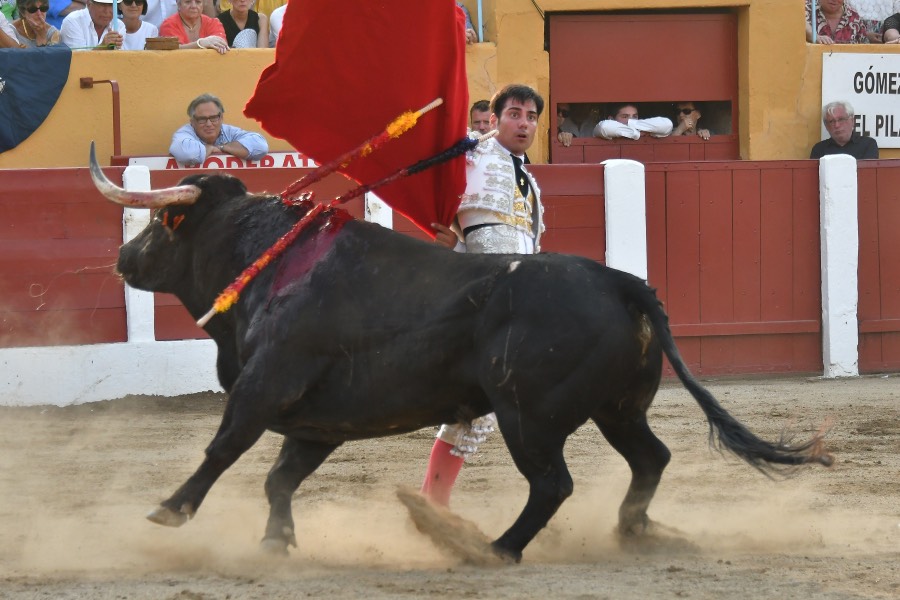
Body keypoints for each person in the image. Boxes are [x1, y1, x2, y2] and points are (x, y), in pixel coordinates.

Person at [421, 83, 545, 507]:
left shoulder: (528, 179)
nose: (523, 123)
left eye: (530, 117)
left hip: (518, 305)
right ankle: (432, 500)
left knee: (483, 414)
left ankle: (434, 499)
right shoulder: (470, 154)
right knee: (472, 412)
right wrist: (449, 243)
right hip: (480, 302)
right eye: (514, 114)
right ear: (494, 120)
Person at [169, 93, 269, 166]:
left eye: (213, 118)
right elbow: (189, 155)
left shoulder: (229, 131)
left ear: (221, 118)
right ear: (192, 122)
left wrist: (220, 147)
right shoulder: (184, 133)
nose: (209, 124)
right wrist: (209, 148)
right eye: (202, 119)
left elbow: (260, 146)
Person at [810, 100, 878, 159]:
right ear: (826, 126)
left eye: (841, 119)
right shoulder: (819, 149)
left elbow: (868, 173)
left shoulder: (868, 145)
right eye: (831, 121)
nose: (837, 125)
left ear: (852, 121)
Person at [159, 0, 227, 52]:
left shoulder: (213, 23)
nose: (193, 6)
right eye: (188, 2)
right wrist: (200, 43)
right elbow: (173, 51)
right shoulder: (169, 25)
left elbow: (222, 46)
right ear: (179, 4)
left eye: (198, 2)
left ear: (202, 4)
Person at [60, 0, 124, 49]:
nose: (106, 11)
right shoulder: (73, 22)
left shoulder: (119, 25)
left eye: (111, 4)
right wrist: (102, 47)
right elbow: (78, 61)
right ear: (88, 3)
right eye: (102, 4)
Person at [594, 103, 673, 140]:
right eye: (625, 116)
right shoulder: (605, 127)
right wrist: (636, 134)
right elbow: (604, 127)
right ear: (611, 119)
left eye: (635, 116)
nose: (631, 120)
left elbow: (667, 125)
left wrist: (634, 125)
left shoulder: (644, 128)